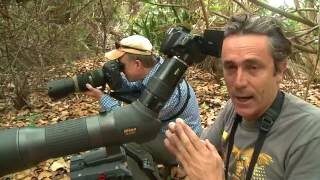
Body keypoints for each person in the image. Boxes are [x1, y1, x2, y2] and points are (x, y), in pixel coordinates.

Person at [164, 14, 320, 180]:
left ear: (280, 70)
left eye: (252, 67)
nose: (238, 83)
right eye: (230, 67)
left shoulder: (310, 133)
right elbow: (204, 154)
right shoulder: (233, 109)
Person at [85, 35, 202, 166]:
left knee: (122, 135)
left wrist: (101, 97)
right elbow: (136, 87)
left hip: (183, 147)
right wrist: (118, 83)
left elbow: (131, 122)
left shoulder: (166, 90)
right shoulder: (158, 69)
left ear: (137, 64)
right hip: (167, 131)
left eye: (122, 66)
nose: (120, 70)